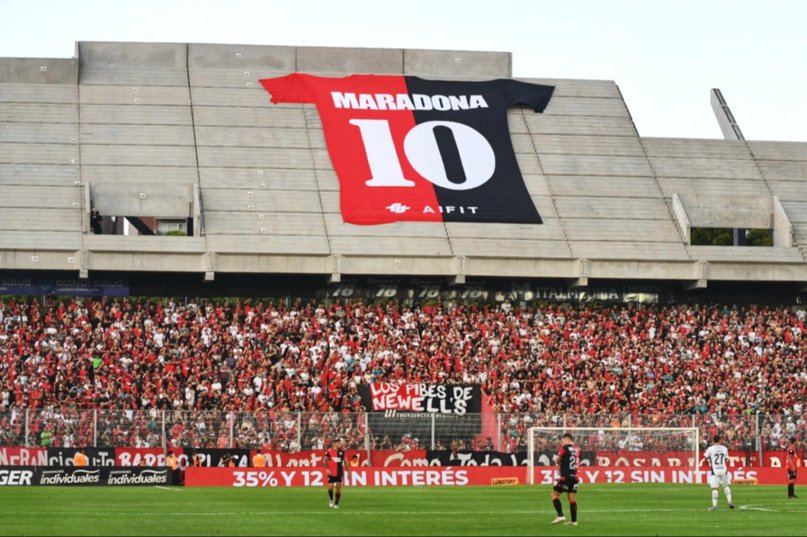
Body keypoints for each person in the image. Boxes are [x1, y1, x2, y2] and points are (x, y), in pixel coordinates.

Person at [550, 432, 579, 526]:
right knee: (572, 499)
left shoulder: (564, 449)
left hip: (565, 477)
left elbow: (558, 460)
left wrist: (557, 461)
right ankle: (574, 521)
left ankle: (560, 515)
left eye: (562, 441)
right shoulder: (577, 449)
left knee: (554, 495)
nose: (561, 443)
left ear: (566, 439)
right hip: (574, 477)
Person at [704, 434, 734, 510]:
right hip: (723, 469)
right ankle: (729, 501)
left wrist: (709, 462)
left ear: (713, 440)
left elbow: (705, 457)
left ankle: (715, 506)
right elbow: (726, 459)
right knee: (726, 486)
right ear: (720, 440)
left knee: (715, 488)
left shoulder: (710, 449)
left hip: (715, 470)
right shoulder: (724, 448)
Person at [324, 438, 349, 509]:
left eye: (340, 443)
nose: (340, 444)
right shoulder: (329, 451)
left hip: (339, 473)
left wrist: (348, 472)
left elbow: (346, 462)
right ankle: (331, 499)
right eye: (338, 443)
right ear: (335, 443)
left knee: (338, 489)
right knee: (330, 488)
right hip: (331, 473)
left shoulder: (342, 452)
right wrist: (327, 469)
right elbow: (325, 461)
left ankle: (336, 503)